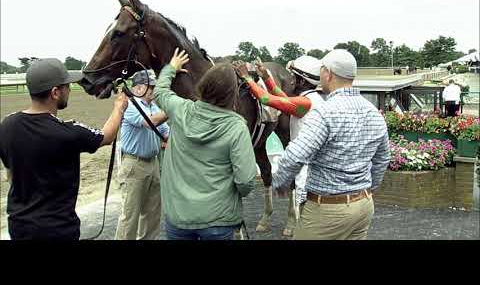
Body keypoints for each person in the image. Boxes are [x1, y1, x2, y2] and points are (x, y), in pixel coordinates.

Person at [0, 58, 128, 240]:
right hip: (58, 230)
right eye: (67, 86)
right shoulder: (68, 132)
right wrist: (119, 107)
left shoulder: (7, 125)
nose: (69, 90)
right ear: (55, 92)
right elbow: (106, 136)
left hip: (19, 227)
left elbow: (10, 175)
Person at [272, 49, 391, 240]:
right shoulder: (373, 113)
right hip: (363, 206)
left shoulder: (325, 113)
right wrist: (369, 188)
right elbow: (383, 158)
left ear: (328, 74)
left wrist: (280, 182)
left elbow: (296, 154)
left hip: (327, 210)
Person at [153, 48, 257, 240]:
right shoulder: (237, 127)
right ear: (231, 94)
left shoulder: (179, 109)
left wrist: (171, 68)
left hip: (178, 217)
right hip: (219, 220)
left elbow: (159, 92)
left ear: (203, 85)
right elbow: (246, 182)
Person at [234, 55, 324, 230]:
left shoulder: (305, 103)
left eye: (293, 77)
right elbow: (281, 97)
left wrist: (246, 78)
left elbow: (268, 100)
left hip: (306, 175)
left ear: (302, 81)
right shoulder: (310, 100)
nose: (290, 80)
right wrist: (266, 76)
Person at [115, 69, 170, 240]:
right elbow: (152, 122)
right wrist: (174, 108)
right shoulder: (132, 106)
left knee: (152, 215)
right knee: (130, 217)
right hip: (134, 165)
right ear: (138, 88)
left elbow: (166, 134)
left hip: (152, 163)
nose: (154, 90)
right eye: (150, 86)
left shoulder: (153, 106)